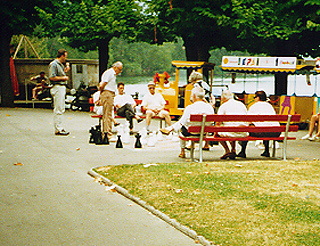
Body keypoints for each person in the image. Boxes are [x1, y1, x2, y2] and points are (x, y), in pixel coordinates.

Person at [160, 87, 214, 158]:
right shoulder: (209, 107)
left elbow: (182, 122)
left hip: (191, 133)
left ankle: (182, 152)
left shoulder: (190, 107)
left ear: (194, 96)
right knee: (185, 124)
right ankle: (170, 129)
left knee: (181, 127)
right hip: (204, 132)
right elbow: (212, 122)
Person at [237, 90, 281, 158]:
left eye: (255, 97)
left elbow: (247, 119)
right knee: (266, 127)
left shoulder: (254, 106)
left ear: (258, 98)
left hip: (261, 132)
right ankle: (266, 151)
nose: (254, 99)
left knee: (246, 129)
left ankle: (243, 151)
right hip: (275, 132)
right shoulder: (270, 106)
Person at [216, 90, 248, 159]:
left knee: (218, 132)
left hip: (231, 132)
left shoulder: (224, 106)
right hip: (243, 133)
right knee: (232, 126)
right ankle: (233, 149)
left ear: (224, 97)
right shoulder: (241, 104)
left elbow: (218, 121)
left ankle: (227, 150)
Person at [99, 61, 123, 140]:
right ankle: (107, 134)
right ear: (115, 67)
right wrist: (102, 92)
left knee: (108, 113)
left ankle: (106, 133)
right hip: (107, 93)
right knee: (107, 114)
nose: (119, 72)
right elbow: (102, 84)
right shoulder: (109, 73)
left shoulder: (112, 74)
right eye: (119, 69)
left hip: (110, 93)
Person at [49, 49, 70, 136]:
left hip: (61, 87)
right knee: (59, 108)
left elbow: (59, 74)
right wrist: (63, 78)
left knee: (60, 107)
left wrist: (65, 71)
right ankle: (58, 127)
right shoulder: (54, 64)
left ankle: (59, 126)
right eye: (65, 56)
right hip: (58, 86)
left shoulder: (60, 65)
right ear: (62, 56)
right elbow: (52, 77)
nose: (66, 58)